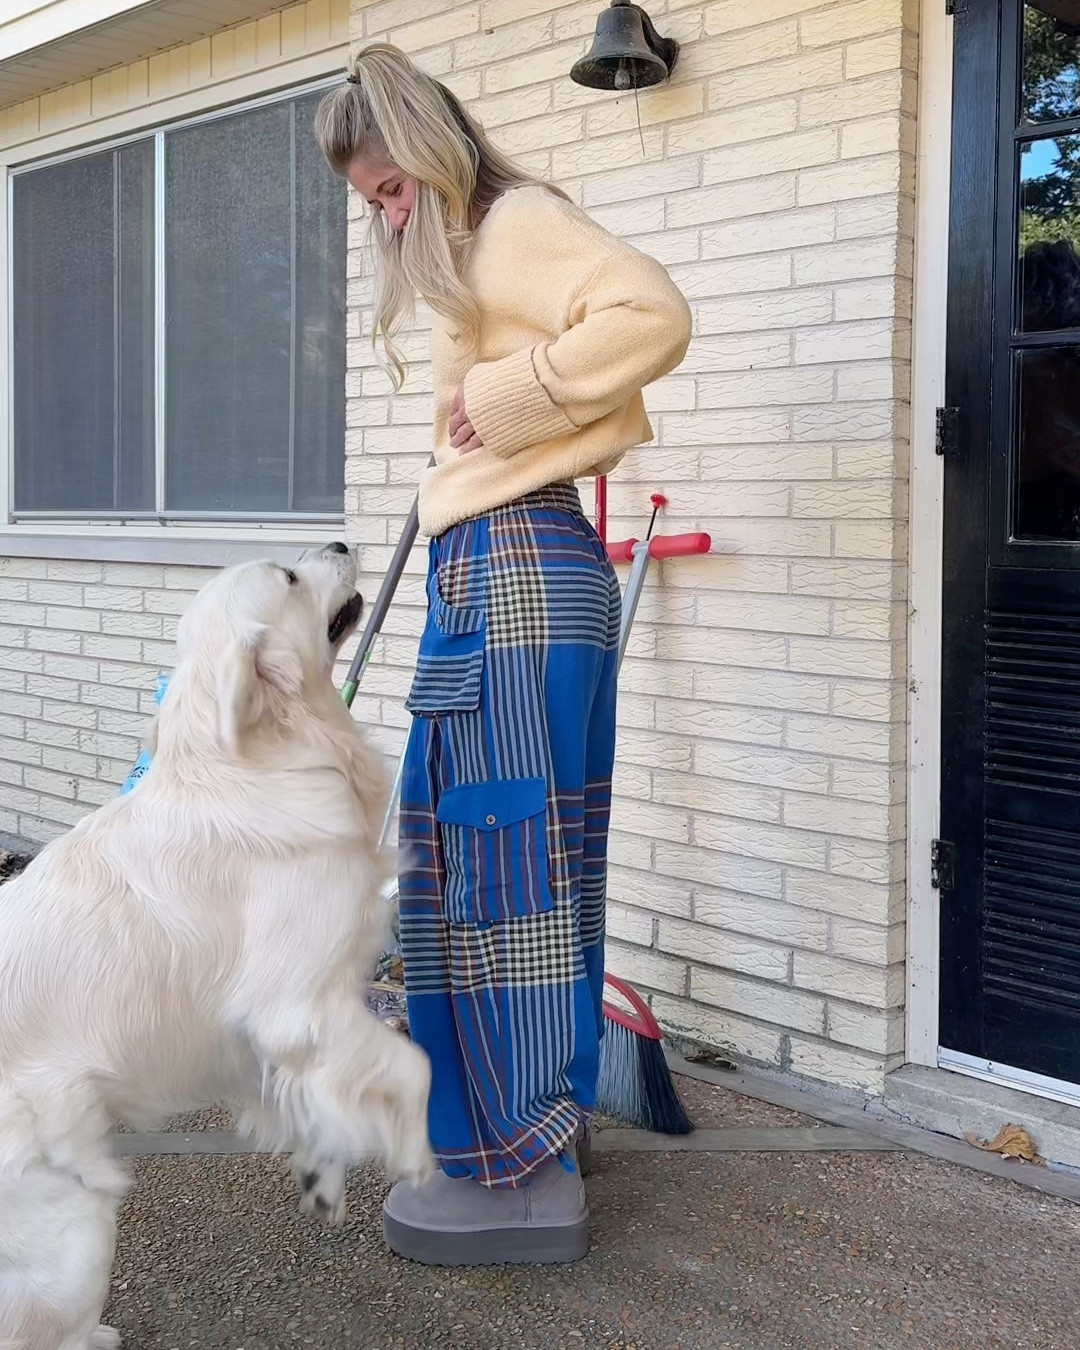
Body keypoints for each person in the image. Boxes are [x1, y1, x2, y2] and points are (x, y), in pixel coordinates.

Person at [315, 42, 691, 1267]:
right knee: (508, 860)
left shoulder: (512, 222)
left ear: (424, 155)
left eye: (385, 190)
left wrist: (506, 400)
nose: (382, 216)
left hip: (518, 575)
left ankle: (513, 1165)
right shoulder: (479, 248)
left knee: (493, 870)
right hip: (513, 574)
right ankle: (533, 1135)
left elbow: (652, 312)